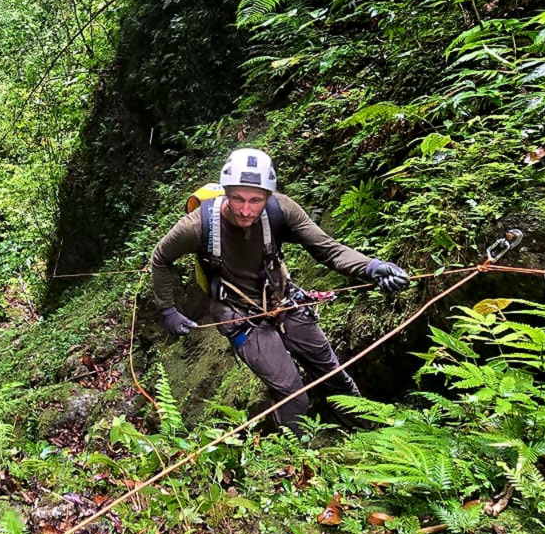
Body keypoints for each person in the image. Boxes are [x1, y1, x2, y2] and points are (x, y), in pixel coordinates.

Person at [149, 148, 409, 431]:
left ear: (268, 196)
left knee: (332, 372)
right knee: (292, 393)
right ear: (226, 192)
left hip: (284, 300)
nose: (245, 210)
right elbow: (160, 258)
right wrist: (168, 310)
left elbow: (328, 250)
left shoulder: (280, 211)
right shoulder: (197, 226)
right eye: (237, 198)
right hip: (240, 317)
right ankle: (297, 451)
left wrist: (371, 267)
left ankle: (370, 434)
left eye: (255, 200)